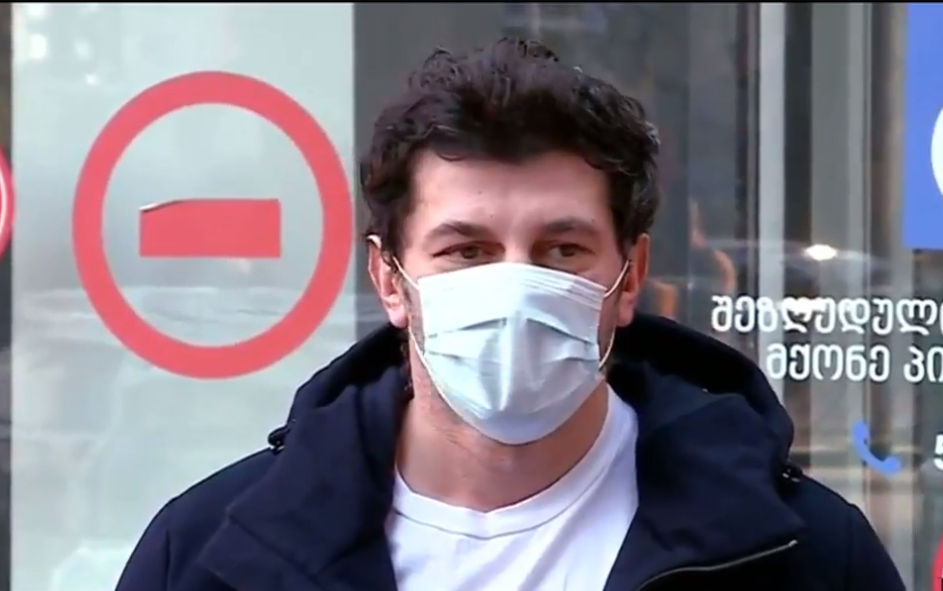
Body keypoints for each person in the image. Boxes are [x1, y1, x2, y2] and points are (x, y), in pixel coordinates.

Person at [115, 38, 904, 591]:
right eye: (466, 250)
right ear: (388, 279)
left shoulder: (802, 556)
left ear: (629, 276)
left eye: (562, 249)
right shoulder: (210, 555)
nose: (516, 286)